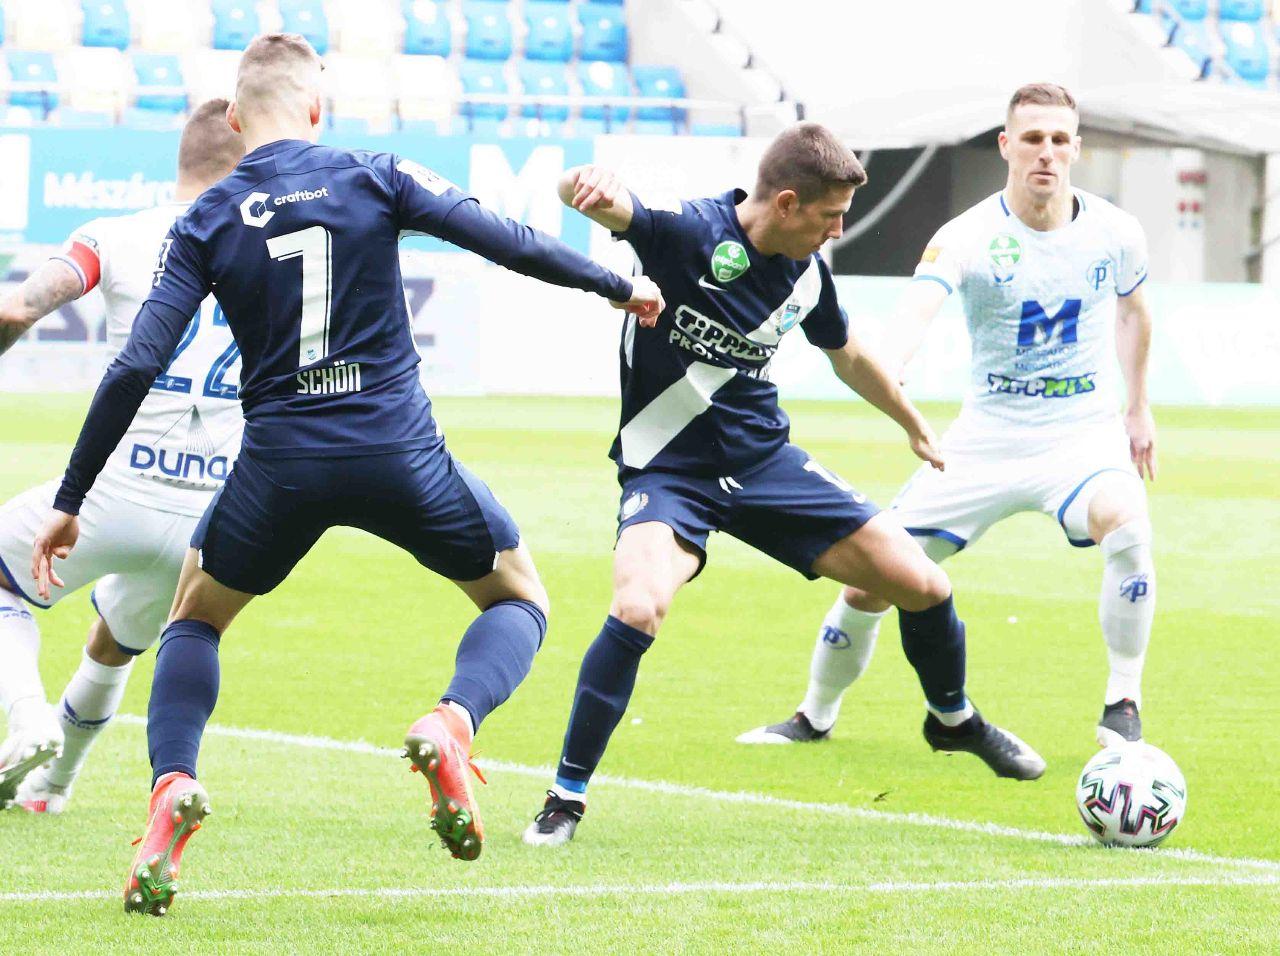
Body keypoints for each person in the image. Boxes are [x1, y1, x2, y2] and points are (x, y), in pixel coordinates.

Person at [29, 33, 663, 916]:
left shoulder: (207, 218)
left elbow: (136, 362)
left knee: (194, 620)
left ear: (236, 119)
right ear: (317, 109)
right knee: (519, 598)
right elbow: (507, 242)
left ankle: (173, 784)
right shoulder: (374, 174)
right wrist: (615, 285)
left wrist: (71, 501)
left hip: (279, 467)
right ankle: (452, 722)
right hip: (399, 452)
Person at [522, 123, 1045, 849]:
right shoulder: (684, 231)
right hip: (668, 470)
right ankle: (565, 798)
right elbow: (580, 194)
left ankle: (952, 720)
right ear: (789, 203)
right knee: (638, 606)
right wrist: (580, 182)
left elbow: (848, 354)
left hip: (766, 465)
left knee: (923, 584)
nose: (838, 232)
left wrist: (912, 423)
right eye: (831, 216)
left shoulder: (806, 274)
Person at [738, 84, 1157, 753]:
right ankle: (813, 715)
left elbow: (1134, 315)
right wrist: (890, 365)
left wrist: (1137, 408)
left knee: (1128, 525)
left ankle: (1122, 703)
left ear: (1076, 147)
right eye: (1032, 138)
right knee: (874, 580)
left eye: (1059, 139)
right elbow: (916, 312)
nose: (1046, 152)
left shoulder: (1117, 232)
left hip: (1081, 435)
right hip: (984, 441)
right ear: (1006, 146)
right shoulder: (966, 236)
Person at [0, 98, 246, 815]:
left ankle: (27, 718)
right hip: (212, 519)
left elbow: (17, 310)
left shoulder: (115, 235)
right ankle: (53, 788)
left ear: (182, 156)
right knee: (115, 641)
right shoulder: (279, 251)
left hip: (112, 492)